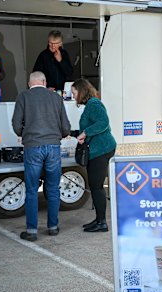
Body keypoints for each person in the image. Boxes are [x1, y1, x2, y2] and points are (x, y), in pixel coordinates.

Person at [12, 71, 71, 242]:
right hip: (53, 147)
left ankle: (31, 231)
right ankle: (53, 227)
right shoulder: (56, 98)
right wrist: (59, 134)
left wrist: (25, 133)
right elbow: (65, 127)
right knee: (53, 188)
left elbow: (16, 124)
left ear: (30, 83)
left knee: (31, 190)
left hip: (33, 147)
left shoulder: (23, 97)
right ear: (44, 82)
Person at [73, 79, 116, 233]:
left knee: (97, 187)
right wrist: (75, 134)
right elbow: (92, 126)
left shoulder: (94, 104)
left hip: (102, 150)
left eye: (74, 92)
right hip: (98, 149)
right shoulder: (90, 105)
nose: (73, 96)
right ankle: (98, 219)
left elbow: (103, 122)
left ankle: (102, 223)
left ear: (82, 91)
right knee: (94, 185)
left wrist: (85, 133)